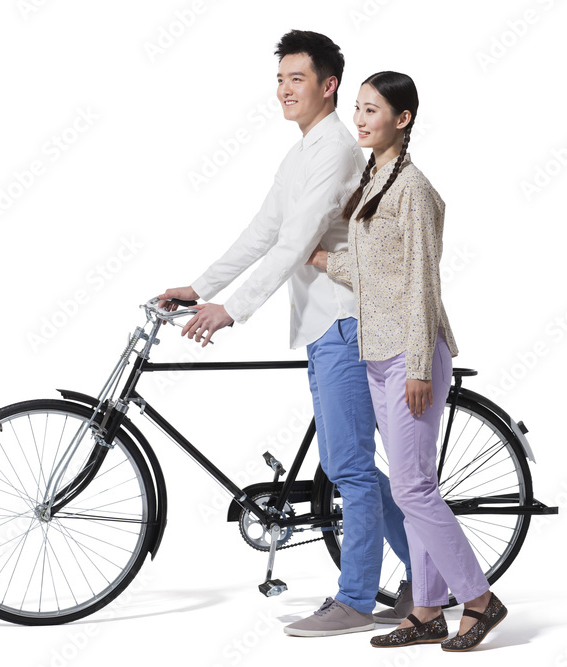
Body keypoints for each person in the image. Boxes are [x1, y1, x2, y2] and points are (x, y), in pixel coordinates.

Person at [156, 30, 412, 637]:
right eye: (279, 79)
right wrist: (200, 285)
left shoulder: (335, 153)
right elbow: (262, 231)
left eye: (297, 78)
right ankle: (434, 574)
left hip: (347, 320)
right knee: (352, 464)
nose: (284, 90)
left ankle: (354, 601)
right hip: (324, 324)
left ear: (329, 86)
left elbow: (296, 243)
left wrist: (232, 310)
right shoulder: (300, 154)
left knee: (347, 466)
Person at [307, 71, 507, 651]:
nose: (362, 119)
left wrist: (419, 364)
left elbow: (421, 281)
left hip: (411, 352)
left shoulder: (414, 189)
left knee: (414, 488)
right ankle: (424, 611)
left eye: (374, 110)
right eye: (359, 109)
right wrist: (321, 259)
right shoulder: (375, 180)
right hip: (378, 349)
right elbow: (376, 274)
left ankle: (479, 599)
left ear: (404, 118)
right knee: (410, 489)